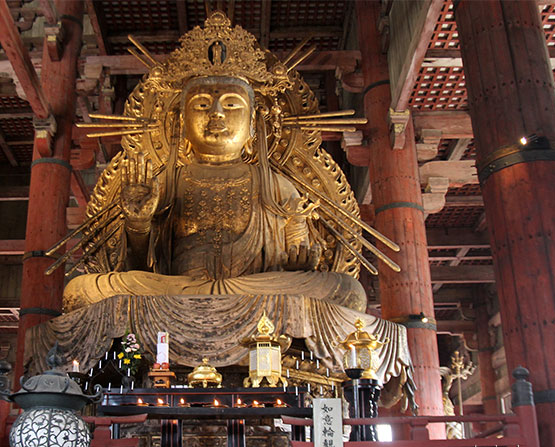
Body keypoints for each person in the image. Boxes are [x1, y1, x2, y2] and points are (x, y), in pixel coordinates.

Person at [62, 75, 366, 312]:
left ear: (253, 125)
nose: (216, 114)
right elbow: (138, 268)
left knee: (347, 290)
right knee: (79, 291)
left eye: (231, 105)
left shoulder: (276, 185)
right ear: (182, 123)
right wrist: (138, 225)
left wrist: (298, 268)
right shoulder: (165, 182)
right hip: (178, 290)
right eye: (202, 106)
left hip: (255, 291)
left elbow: (299, 252)